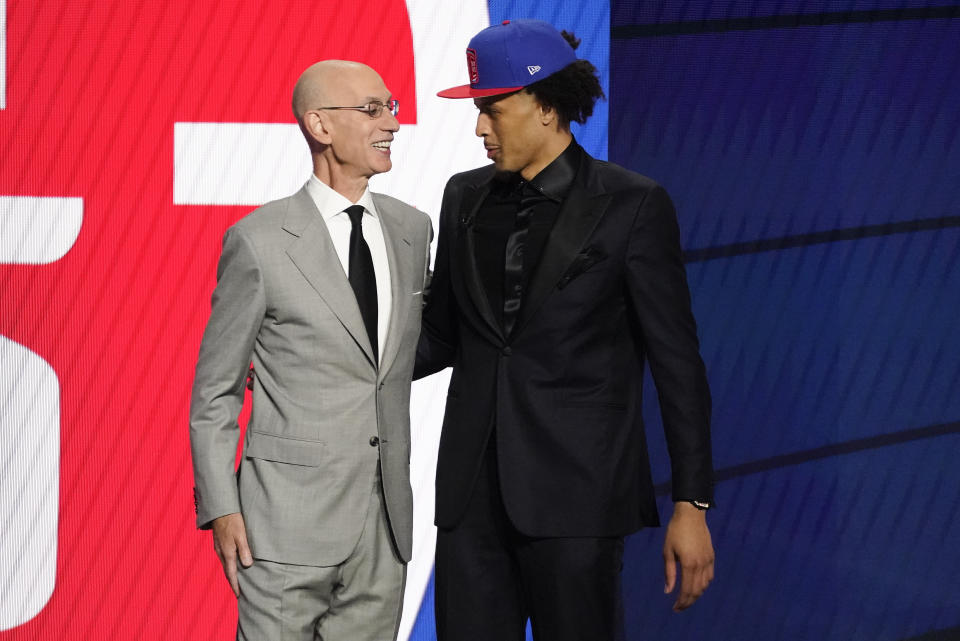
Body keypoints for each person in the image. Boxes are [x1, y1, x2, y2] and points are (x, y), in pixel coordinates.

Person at [415, 20, 715, 641]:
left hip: (580, 497)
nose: (479, 130)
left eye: (492, 110)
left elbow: (677, 365)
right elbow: (440, 335)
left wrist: (692, 503)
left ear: (547, 106)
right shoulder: (463, 196)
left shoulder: (633, 204)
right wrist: (331, 359)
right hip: (471, 501)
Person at [189, 60, 432, 641]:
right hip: (282, 527)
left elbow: (389, 359)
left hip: (384, 527)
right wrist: (223, 509)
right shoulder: (259, 240)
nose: (392, 123)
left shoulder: (412, 229)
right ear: (320, 125)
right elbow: (215, 392)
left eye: (392, 106)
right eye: (373, 109)